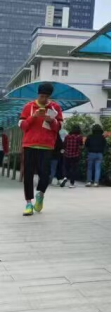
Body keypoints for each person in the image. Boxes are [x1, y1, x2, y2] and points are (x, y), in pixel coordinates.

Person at [18, 82, 64, 216]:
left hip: (47, 146)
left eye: (46, 97)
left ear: (50, 96)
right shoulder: (29, 107)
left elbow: (59, 127)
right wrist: (34, 116)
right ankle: (28, 203)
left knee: (45, 175)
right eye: (42, 96)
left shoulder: (55, 108)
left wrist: (51, 120)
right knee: (28, 175)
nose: (44, 99)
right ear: (38, 94)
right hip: (29, 145)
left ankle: (41, 194)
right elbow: (23, 126)